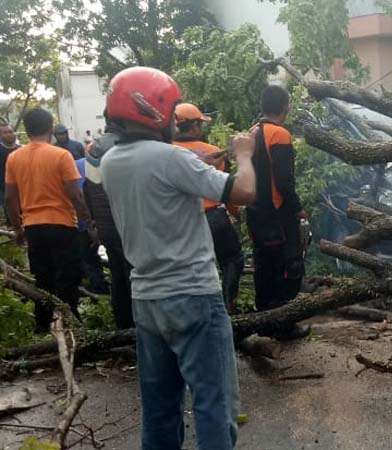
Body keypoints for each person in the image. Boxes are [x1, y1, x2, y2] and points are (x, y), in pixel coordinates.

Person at [100, 66, 256, 450]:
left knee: (159, 407)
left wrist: (201, 166)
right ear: (154, 112)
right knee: (213, 404)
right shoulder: (170, 159)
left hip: (148, 299)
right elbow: (245, 191)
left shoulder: (111, 163)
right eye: (169, 112)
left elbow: (163, 184)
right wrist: (244, 154)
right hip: (193, 296)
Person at [5, 108, 95, 331]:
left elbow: (9, 198)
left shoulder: (14, 158)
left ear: (25, 130)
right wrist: (89, 224)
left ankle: (43, 324)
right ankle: (71, 321)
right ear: (51, 128)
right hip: (62, 224)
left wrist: (18, 228)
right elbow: (75, 195)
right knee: (68, 273)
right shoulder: (61, 155)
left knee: (42, 275)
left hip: (33, 226)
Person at [172, 102, 244, 313]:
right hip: (214, 216)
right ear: (194, 126)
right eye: (200, 125)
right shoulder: (214, 152)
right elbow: (227, 191)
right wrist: (235, 214)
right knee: (232, 258)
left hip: (182, 222)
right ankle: (227, 303)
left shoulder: (167, 152)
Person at [248, 86, 308, 313]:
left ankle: (262, 318)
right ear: (285, 106)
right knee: (286, 267)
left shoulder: (252, 131)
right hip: (277, 213)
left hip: (256, 211)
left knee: (263, 268)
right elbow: (284, 179)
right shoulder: (280, 135)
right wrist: (298, 208)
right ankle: (282, 323)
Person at [84, 118, 134, 329]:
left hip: (106, 226)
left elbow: (88, 188)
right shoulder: (123, 147)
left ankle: (123, 325)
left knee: (118, 276)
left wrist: (94, 222)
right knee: (135, 276)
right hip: (125, 223)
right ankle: (140, 326)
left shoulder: (92, 148)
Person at [74, 154, 109, 295]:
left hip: (82, 222)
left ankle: (99, 291)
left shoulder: (76, 165)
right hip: (102, 221)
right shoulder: (106, 163)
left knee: (88, 258)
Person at [0, 123, 20, 220]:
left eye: (11, 131)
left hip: (23, 188)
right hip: (5, 189)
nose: (9, 134)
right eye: (5, 132)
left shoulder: (21, 149)